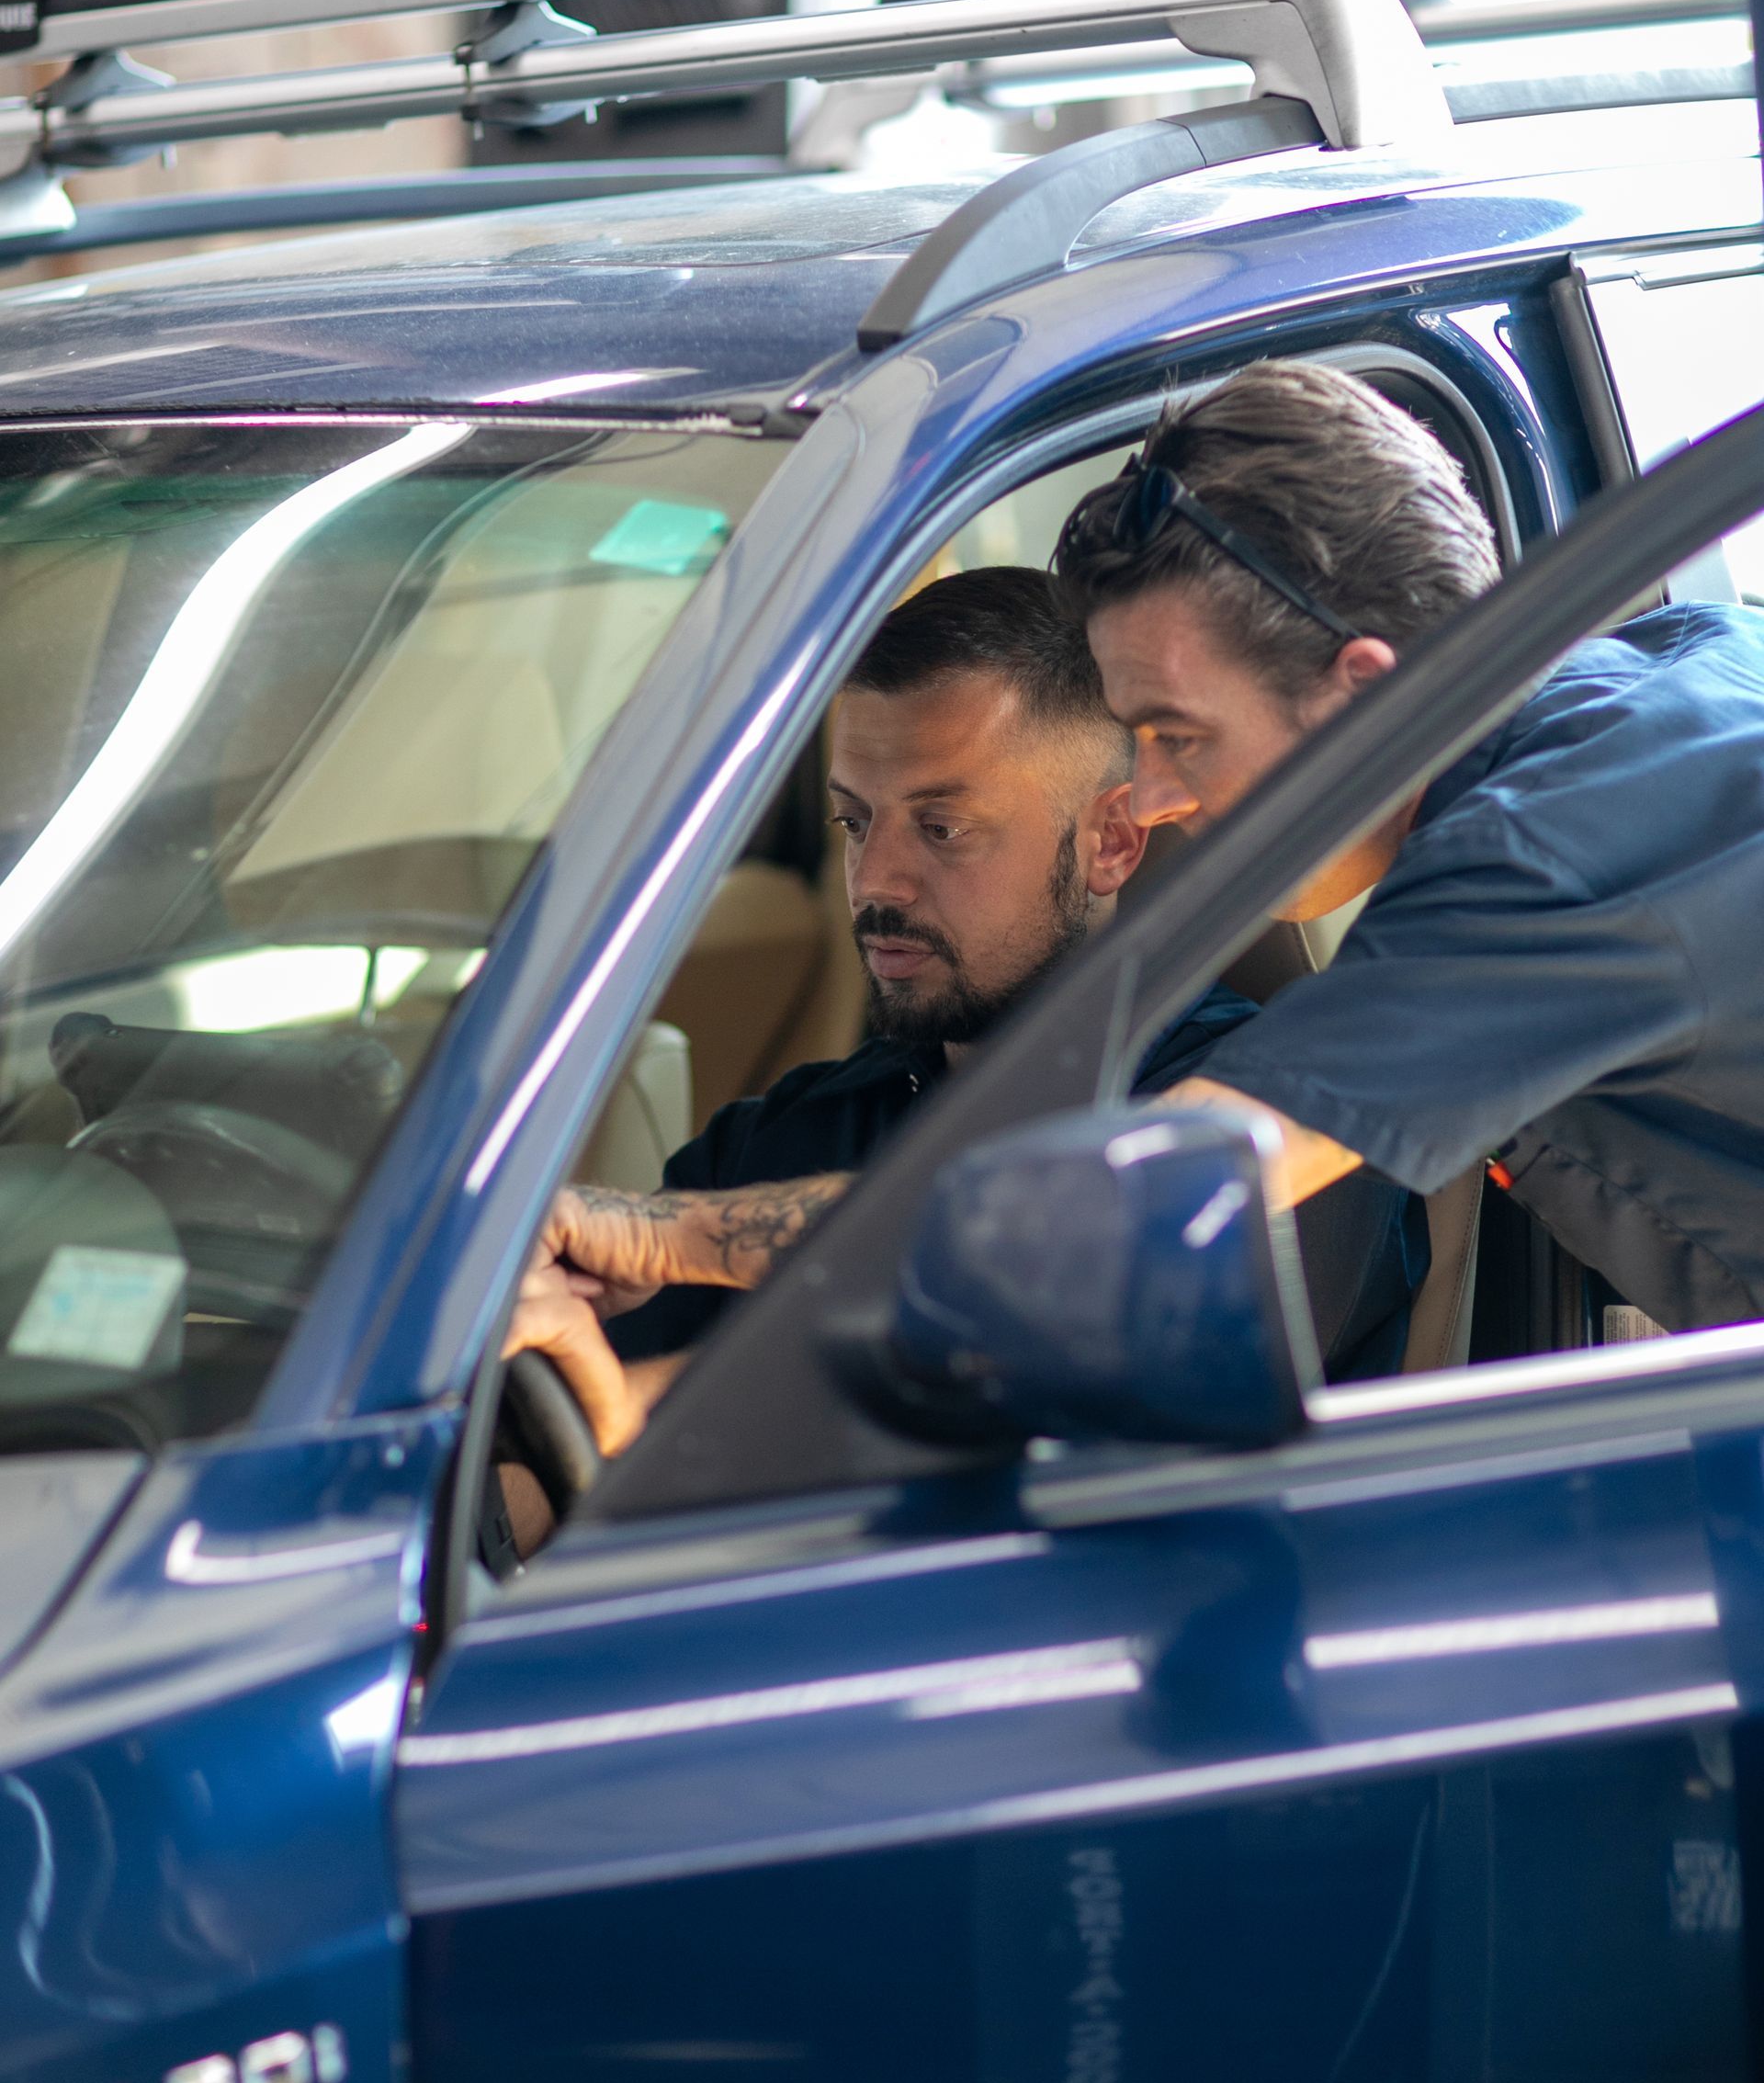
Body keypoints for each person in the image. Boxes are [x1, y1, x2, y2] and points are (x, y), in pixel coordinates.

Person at [505, 566, 1428, 1482]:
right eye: (855, 822)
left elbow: (1031, 1388)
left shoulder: (1289, 1132)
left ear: (1111, 840)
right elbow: (554, 1453)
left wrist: (664, 1305)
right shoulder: (781, 1137)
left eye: (943, 829)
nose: (874, 883)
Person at [1052, 354, 1764, 1340]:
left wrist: (772, 1233)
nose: (1152, 797)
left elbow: (1134, 1193)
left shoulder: (1536, 862)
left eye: (1179, 734)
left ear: (1369, 694)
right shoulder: (1684, 655)